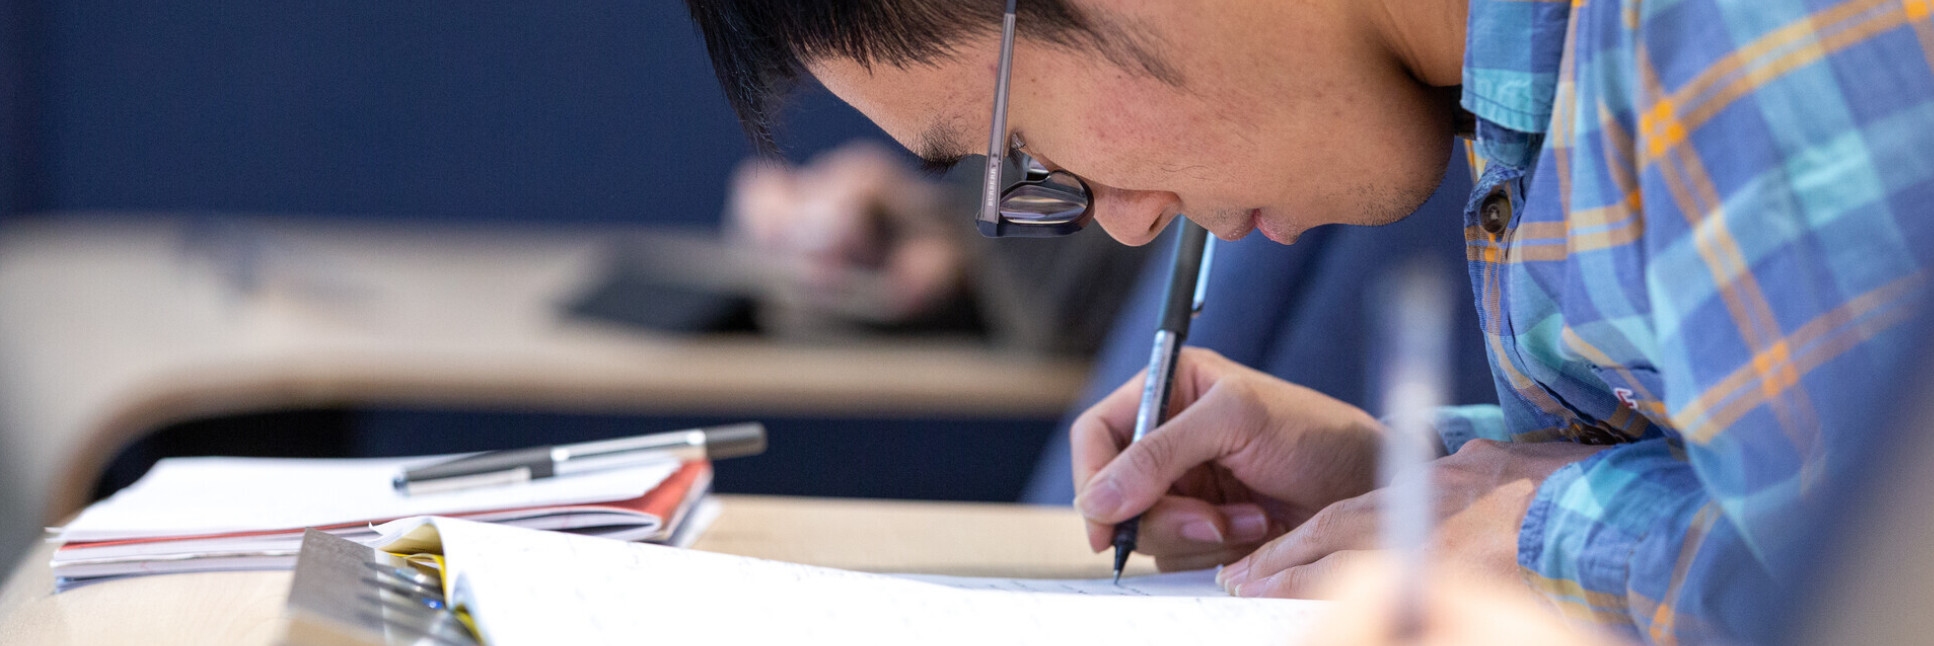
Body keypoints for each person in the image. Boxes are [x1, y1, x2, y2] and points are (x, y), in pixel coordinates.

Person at [680, 1, 1934, 643]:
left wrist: (1550, 531)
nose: (1115, 226)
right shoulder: (1523, 99)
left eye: (1020, 144)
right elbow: (1750, 465)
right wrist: (1410, 493)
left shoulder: (1736, 29)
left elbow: (1881, 595)